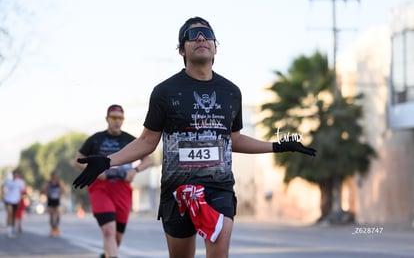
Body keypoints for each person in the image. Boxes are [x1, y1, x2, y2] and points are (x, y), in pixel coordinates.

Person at [73, 17, 316, 258]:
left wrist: (277, 146)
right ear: (181, 49)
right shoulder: (164, 92)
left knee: (220, 247)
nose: (200, 38)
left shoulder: (231, 92)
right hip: (176, 191)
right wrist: (107, 161)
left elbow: (234, 139)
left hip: (218, 187)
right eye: (192, 35)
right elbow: (147, 141)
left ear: (215, 48)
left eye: (207, 34)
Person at [74, 104, 153, 258]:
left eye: (120, 118)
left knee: (116, 237)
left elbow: (148, 159)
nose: (117, 121)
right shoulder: (96, 139)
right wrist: (95, 173)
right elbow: (77, 160)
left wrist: (134, 170)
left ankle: (107, 255)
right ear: (107, 119)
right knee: (109, 229)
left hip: (122, 188)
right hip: (100, 188)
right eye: (114, 118)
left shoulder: (129, 139)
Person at [1, 169, 26, 238]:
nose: (14, 175)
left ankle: (11, 228)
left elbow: (23, 192)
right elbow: (2, 185)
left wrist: (20, 199)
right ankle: (9, 229)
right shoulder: (8, 181)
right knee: (10, 214)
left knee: (14, 215)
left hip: (16, 201)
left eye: (16, 174)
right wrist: (2, 194)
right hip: (8, 200)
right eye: (13, 174)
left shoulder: (20, 182)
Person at [43, 170, 65, 237]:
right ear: (51, 176)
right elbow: (45, 191)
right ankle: (52, 229)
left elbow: (63, 190)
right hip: (50, 200)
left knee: (58, 214)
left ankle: (56, 227)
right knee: (51, 215)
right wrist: (48, 193)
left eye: (55, 176)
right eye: (53, 176)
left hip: (57, 200)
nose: (54, 177)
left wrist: (60, 194)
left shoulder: (59, 183)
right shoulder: (48, 183)